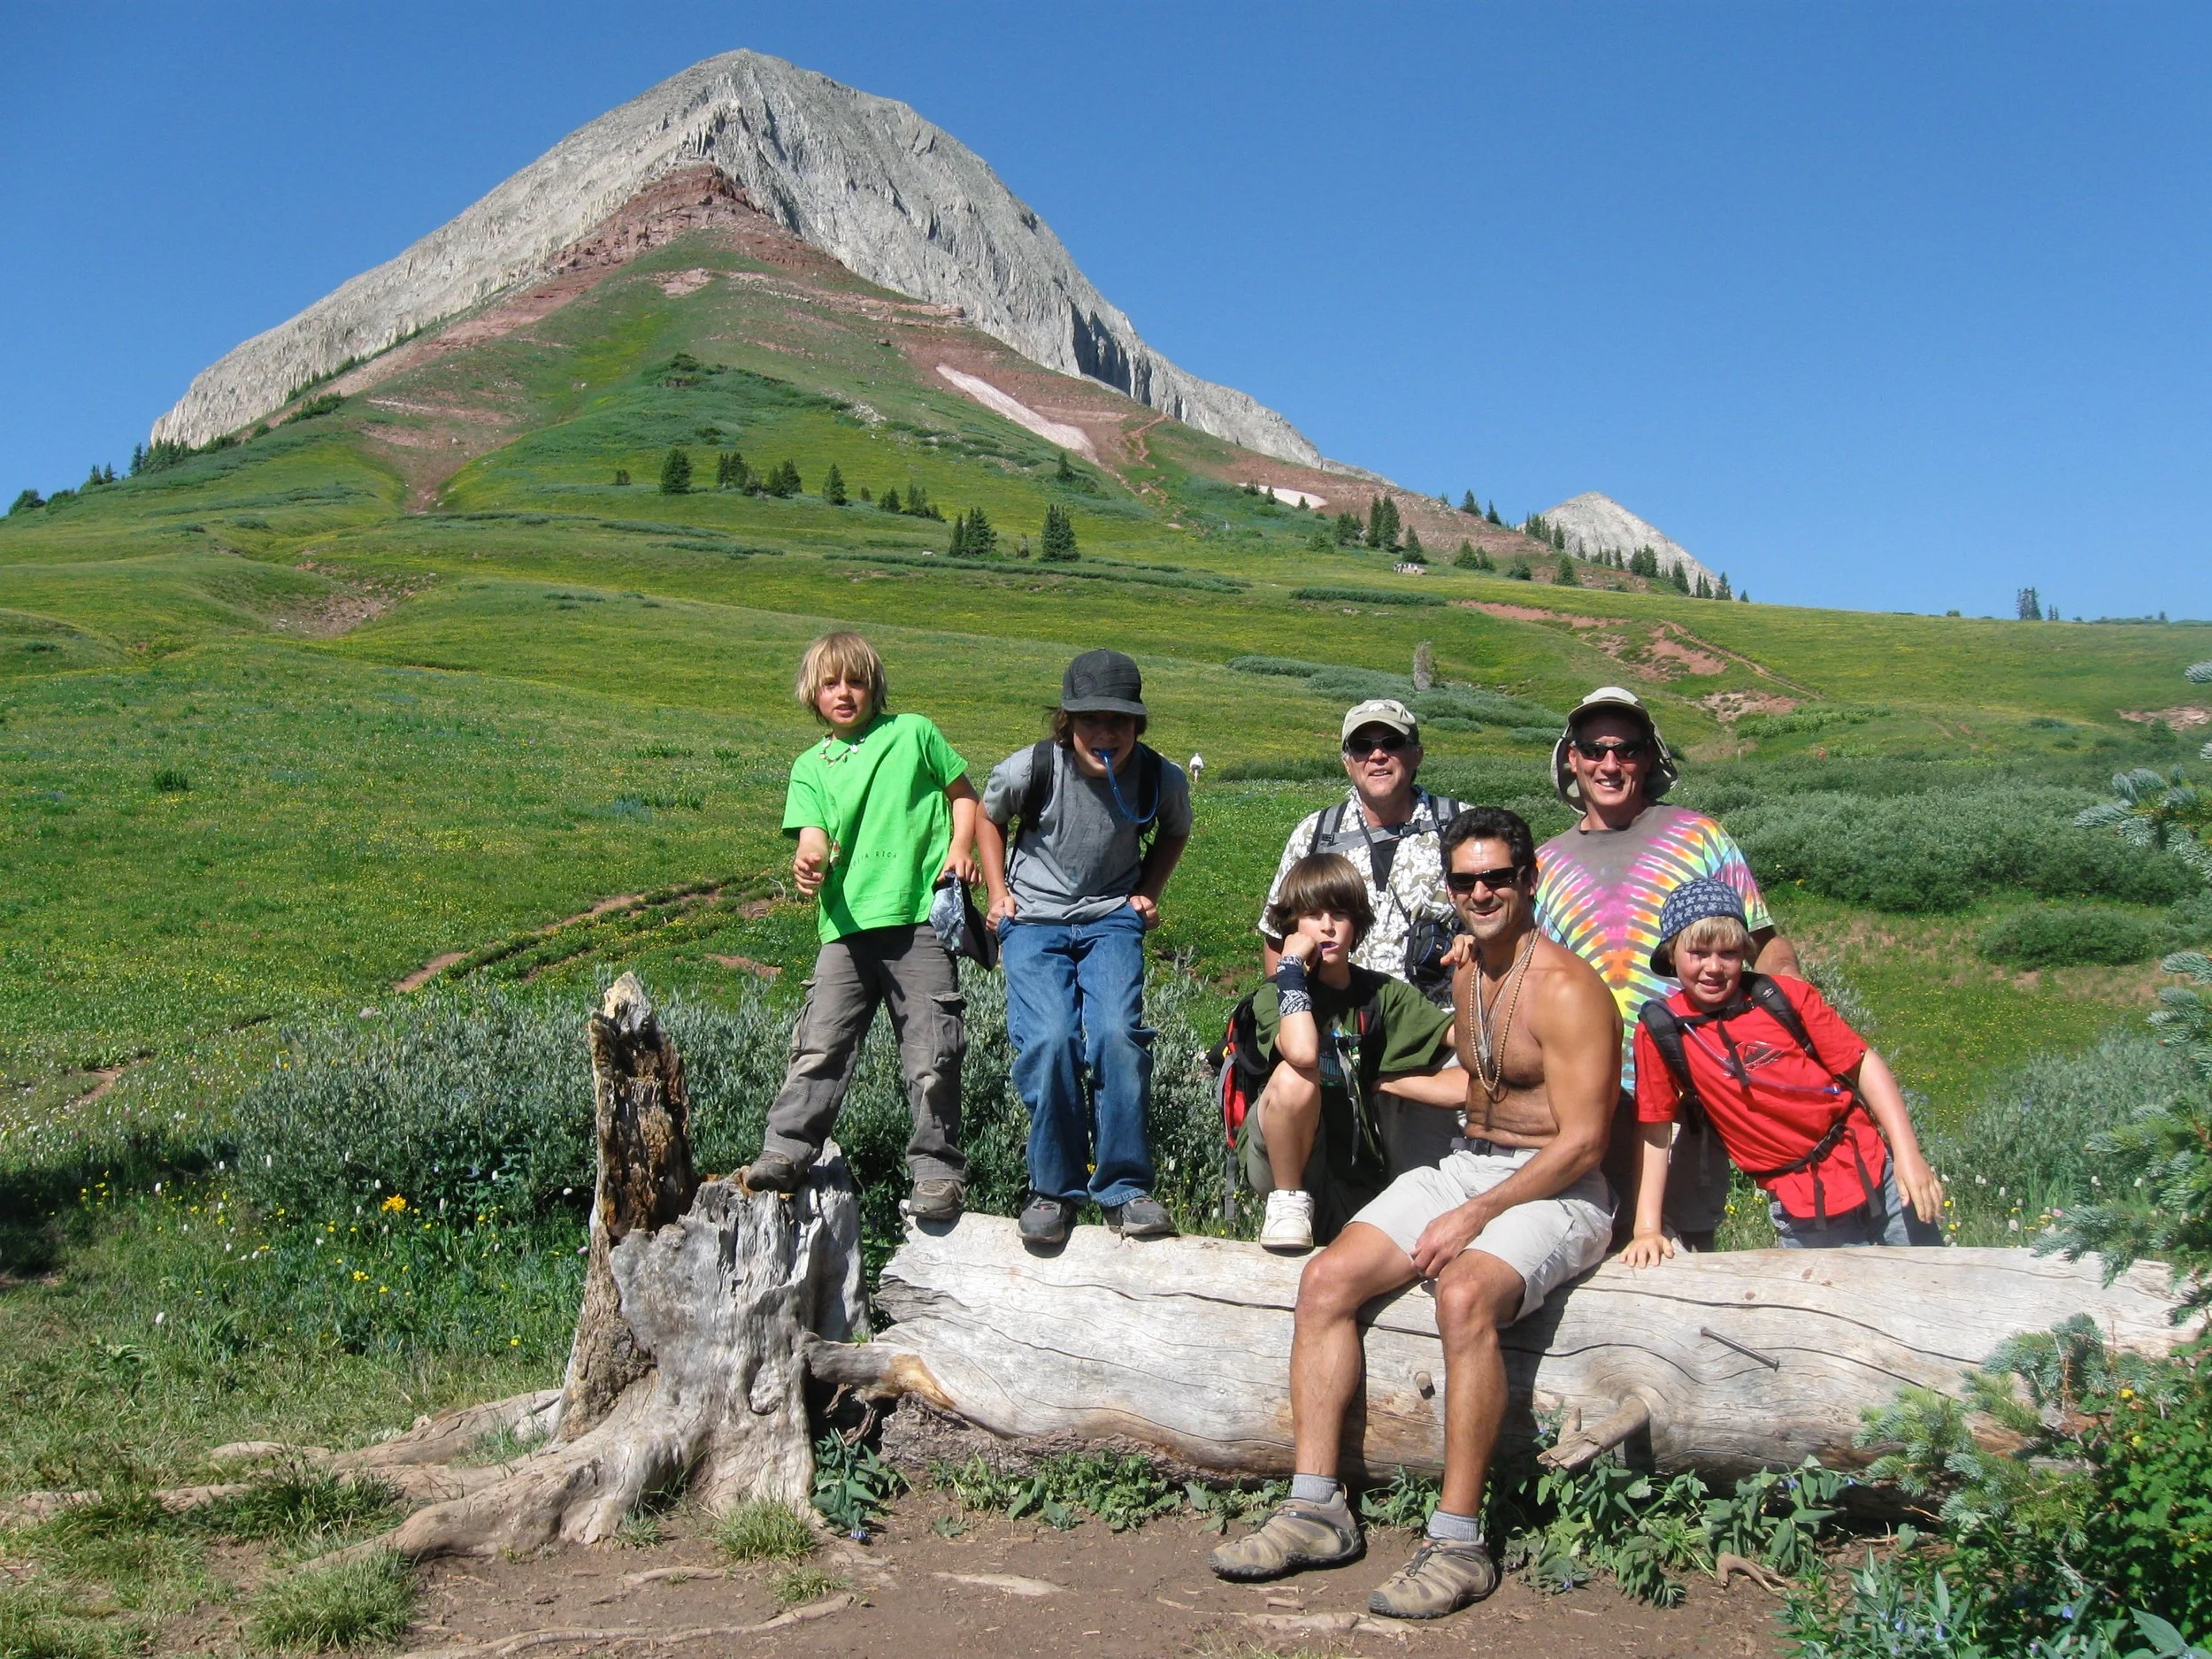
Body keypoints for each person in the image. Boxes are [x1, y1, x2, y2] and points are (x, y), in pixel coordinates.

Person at [1209, 808, 1618, 1621]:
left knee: (1463, 1294)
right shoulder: (1464, 972)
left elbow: (1583, 1142)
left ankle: (1459, 1538)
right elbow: (1466, 1080)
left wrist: (1476, 1214)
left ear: (1528, 879)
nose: (1480, 893)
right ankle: (1315, 1506)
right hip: (1471, 1162)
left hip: (1560, 1186)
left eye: (1496, 877)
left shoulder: (1568, 988)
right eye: (1465, 881)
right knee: (1326, 1279)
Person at [1532, 686, 1801, 1248]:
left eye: (1627, 749)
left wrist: (1787, 1028)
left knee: (1682, 1246)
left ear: (1648, 758)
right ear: (1572, 759)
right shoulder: (1544, 863)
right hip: (1583, 1096)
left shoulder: (1699, 837)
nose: (1610, 763)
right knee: (1581, 1244)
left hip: (1689, 1084)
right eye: (1595, 748)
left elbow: (1764, 943)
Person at [744, 633, 979, 1220]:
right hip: (844, 930)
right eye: (830, 683)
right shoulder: (810, 766)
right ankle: (787, 1149)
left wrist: (961, 849)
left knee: (932, 1054)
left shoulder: (914, 733)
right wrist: (809, 857)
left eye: (855, 681)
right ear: (812, 693)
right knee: (820, 1042)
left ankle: (937, 1172)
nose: (843, 693)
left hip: (918, 921)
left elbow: (964, 796)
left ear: (874, 686)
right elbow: (812, 832)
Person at [978, 649, 1193, 1248]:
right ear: (1067, 720)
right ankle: (1055, 1189)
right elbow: (988, 820)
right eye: (1092, 719)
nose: (1106, 733)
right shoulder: (1031, 768)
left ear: (1137, 725)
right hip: (1034, 922)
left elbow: (1175, 829)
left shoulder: (1159, 777)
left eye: (1119, 721)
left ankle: (1125, 1189)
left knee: (1118, 1037)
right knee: (1049, 1040)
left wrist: (1147, 892)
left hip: (1110, 921)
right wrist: (998, 895)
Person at [1620, 879, 1945, 1260]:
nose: (1713, 967)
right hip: (1800, 1205)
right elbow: (1656, 1127)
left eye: (1728, 953)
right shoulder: (1662, 1030)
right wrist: (1646, 1228)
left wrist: (1908, 1156)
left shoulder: (1784, 997)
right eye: (1698, 952)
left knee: (1930, 1285)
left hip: (1878, 1174)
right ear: (1672, 954)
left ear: (1744, 952)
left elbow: (1863, 1064)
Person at [1240, 853, 1460, 1253]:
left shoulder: (1380, 993)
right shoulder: (1274, 995)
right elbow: (1304, 1052)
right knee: (1295, 1075)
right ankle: (1289, 1204)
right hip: (1284, 1159)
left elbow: (1464, 1039)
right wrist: (1291, 970)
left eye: (1340, 914)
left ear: (1357, 924)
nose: (1327, 927)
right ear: (1292, 926)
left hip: (1361, 1160)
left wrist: (1477, 974)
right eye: (1312, 915)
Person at [1257, 700, 1466, 1008]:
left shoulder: (1462, 827)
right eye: (1361, 746)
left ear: (1417, 754)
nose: (1377, 755)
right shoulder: (1314, 833)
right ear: (1347, 762)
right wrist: (1289, 1015)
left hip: (1442, 1031)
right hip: (1338, 1029)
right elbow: (1277, 936)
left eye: (1392, 743)